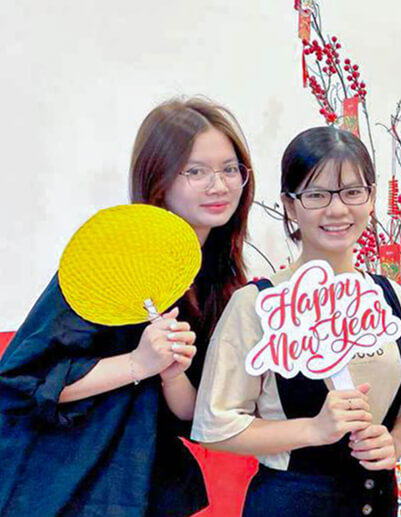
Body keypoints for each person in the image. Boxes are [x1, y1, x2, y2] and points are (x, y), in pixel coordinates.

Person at [0, 96, 255, 516]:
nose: (219, 185)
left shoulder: (219, 277)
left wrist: (172, 373)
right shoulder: (113, 257)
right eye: (196, 171)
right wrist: (138, 363)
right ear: (159, 180)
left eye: (230, 169)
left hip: (146, 480)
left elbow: (195, 416)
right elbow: (23, 380)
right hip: (65, 480)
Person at [192, 125, 401, 517]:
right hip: (290, 502)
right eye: (317, 195)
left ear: (372, 198)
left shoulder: (391, 298)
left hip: (378, 501)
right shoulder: (258, 304)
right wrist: (312, 430)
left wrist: (395, 444)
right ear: (289, 205)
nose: (337, 210)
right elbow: (215, 425)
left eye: (352, 192)